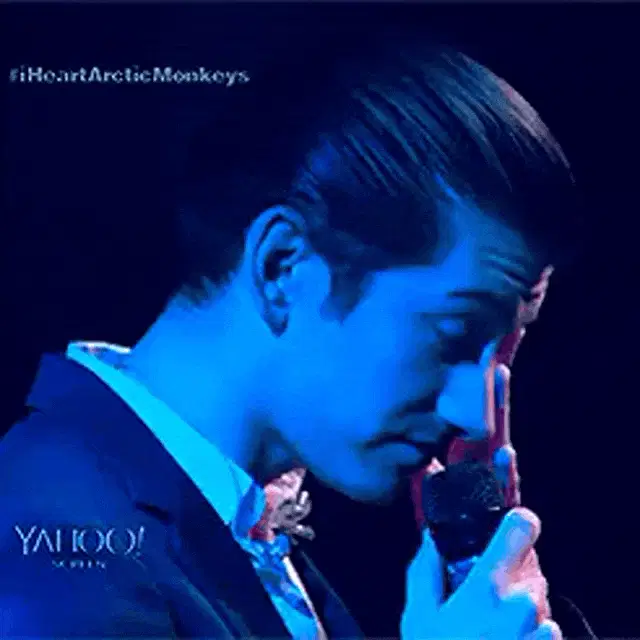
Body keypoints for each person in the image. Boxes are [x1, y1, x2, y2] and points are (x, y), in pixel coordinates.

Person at [0, 39, 578, 639]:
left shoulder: (239, 531)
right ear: (284, 267)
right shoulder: (51, 543)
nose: (474, 413)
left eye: (502, 352)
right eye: (455, 334)